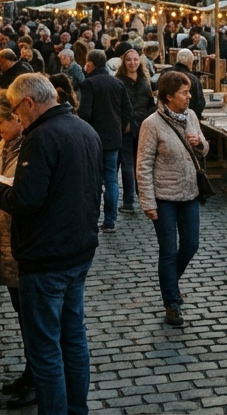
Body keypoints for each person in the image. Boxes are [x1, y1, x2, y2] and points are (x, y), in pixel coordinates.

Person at [0, 75, 101, 415]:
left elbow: (26, 199)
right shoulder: (84, 129)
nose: (17, 116)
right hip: (79, 252)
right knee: (73, 339)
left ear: (29, 104)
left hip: (46, 258)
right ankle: (77, 409)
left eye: (17, 109)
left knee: (46, 349)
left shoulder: (41, 137)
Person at [137, 70, 209, 328]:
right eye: (184, 93)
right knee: (168, 251)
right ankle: (171, 303)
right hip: (164, 197)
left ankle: (170, 281)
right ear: (169, 97)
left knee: (191, 244)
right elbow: (143, 166)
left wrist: (199, 142)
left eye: (189, 92)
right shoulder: (151, 124)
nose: (190, 96)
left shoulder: (190, 116)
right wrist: (148, 202)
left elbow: (205, 147)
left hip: (189, 193)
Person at [0, 91, 35, 409]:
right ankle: (30, 373)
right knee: (23, 315)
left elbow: (25, 194)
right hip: (7, 240)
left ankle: (37, 378)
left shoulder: (30, 145)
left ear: (17, 118)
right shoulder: (5, 143)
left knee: (32, 318)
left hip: (21, 243)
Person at [79, 49, 132, 234]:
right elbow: (127, 110)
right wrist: (120, 125)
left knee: (93, 179)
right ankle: (110, 221)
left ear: (91, 64)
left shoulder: (88, 84)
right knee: (111, 179)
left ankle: (93, 218)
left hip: (94, 138)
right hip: (113, 138)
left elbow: (85, 113)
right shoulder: (117, 83)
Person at [116, 47, 156, 220]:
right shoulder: (119, 81)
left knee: (142, 164)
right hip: (126, 127)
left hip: (143, 125)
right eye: (129, 60)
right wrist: (124, 122)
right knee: (127, 164)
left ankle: (145, 198)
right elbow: (118, 104)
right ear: (124, 62)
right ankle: (128, 202)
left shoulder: (144, 79)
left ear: (139, 62)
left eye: (135, 59)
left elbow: (149, 102)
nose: (132, 63)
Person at [171, 48, 206, 118]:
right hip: (187, 118)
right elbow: (199, 105)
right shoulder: (193, 79)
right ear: (190, 63)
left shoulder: (166, 74)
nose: (189, 96)